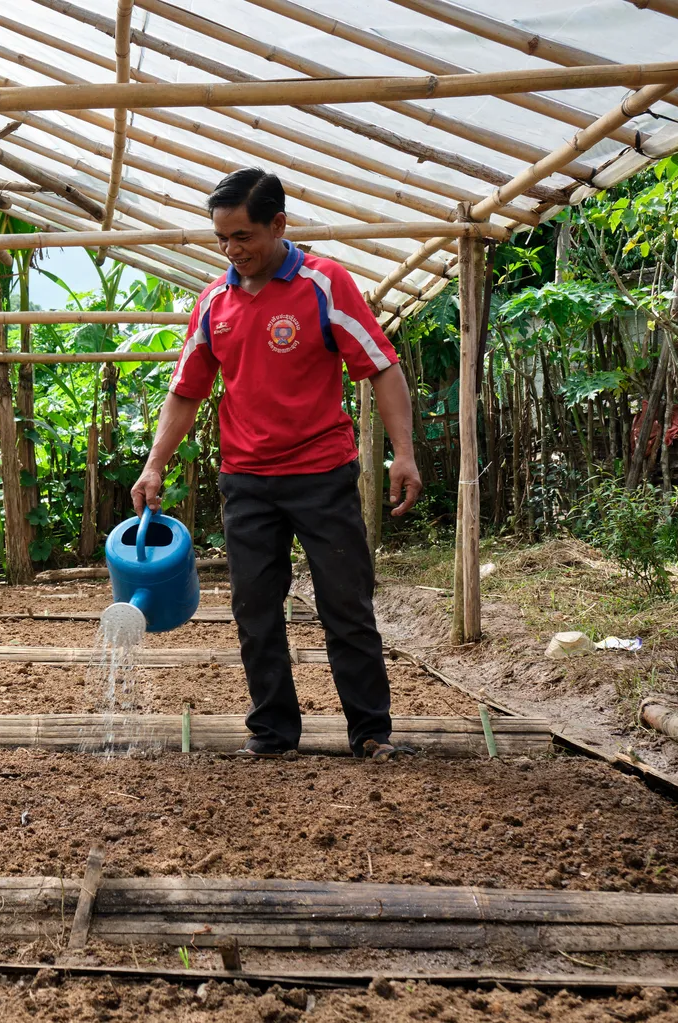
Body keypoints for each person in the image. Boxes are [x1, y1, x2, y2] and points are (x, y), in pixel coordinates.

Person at [131, 167, 423, 761]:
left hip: (321, 475)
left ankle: (370, 731)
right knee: (254, 608)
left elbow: (382, 366)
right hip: (247, 481)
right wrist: (155, 464)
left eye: (243, 236)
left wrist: (404, 454)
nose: (233, 251)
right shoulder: (215, 300)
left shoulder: (324, 283)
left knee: (346, 604)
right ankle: (272, 732)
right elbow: (186, 390)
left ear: (279, 224)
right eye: (223, 239)